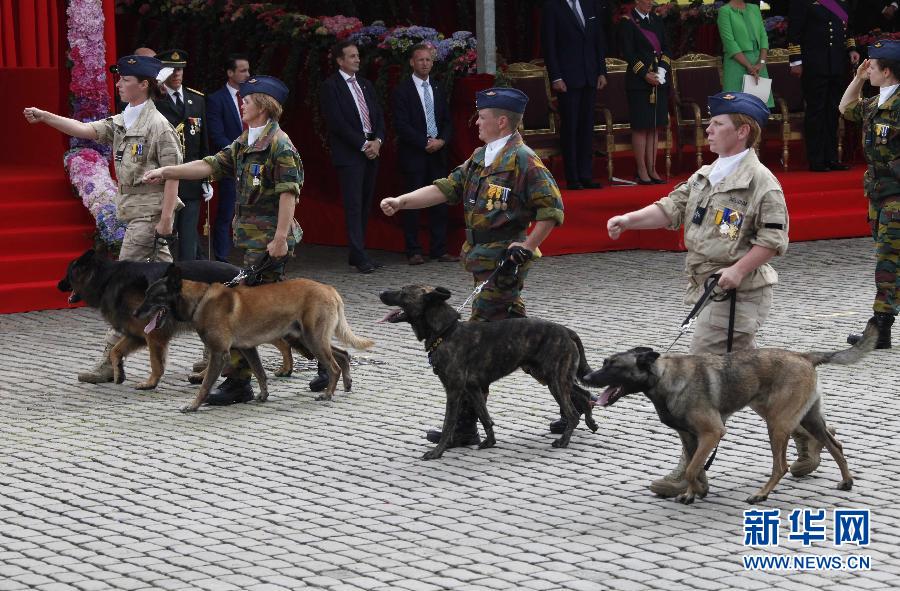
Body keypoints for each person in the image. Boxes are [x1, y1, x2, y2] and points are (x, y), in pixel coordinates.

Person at [604, 92, 827, 496]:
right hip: (707, 287)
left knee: (696, 386)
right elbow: (670, 208)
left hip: (738, 294)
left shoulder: (761, 183)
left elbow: (775, 239)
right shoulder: (708, 173)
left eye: (718, 124)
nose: (708, 129)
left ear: (742, 131)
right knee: (755, 381)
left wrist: (738, 270)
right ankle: (806, 433)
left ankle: (688, 473)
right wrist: (629, 219)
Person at [380, 87, 565, 446]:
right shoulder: (481, 157)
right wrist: (402, 201)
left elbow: (552, 209)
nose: (476, 122)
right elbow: (446, 188)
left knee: (471, 346)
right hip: (481, 265)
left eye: (482, 117)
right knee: (526, 345)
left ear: (501, 121)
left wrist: (527, 247)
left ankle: (464, 426)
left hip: (503, 269)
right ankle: (576, 398)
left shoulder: (524, 161)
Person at [142, 75, 303, 405]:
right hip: (252, 240)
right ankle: (325, 359)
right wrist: (169, 172)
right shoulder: (246, 140)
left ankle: (239, 383)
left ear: (264, 106)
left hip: (270, 243)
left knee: (253, 312)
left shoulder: (279, 145)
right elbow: (210, 164)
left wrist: (280, 239)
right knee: (269, 312)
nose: (241, 103)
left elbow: (290, 194)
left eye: (247, 99)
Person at [23, 55, 183, 382]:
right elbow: (85, 129)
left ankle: (109, 361)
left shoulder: (157, 126)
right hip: (135, 216)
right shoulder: (125, 120)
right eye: (119, 79)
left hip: (149, 219)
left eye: (125, 80)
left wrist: (166, 218)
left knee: (119, 288)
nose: (119, 84)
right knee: (177, 287)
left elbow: (173, 175)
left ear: (144, 84)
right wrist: (45, 117)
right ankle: (220, 345)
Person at [839, 40, 900, 350]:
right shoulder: (878, 102)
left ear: (887, 71)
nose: (867, 70)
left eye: (872, 67)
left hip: (896, 196)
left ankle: (879, 328)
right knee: (889, 257)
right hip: (879, 194)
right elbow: (846, 107)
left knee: (888, 260)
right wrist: (859, 78)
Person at [321, 40, 387, 275]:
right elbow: (337, 122)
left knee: (365, 203)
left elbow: (378, 114)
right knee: (353, 205)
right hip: (351, 153)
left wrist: (377, 141)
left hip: (372, 149)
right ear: (340, 60)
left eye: (358, 56)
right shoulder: (331, 86)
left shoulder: (366, 84)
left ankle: (359, 252)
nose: (357, 59)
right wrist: (362, 144)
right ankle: (359, 255)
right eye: (352, 56)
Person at [391, 43, 457, 265]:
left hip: (437, 154)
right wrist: (424, 142)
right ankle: (413, 250)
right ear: (412, 62)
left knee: (439, 201)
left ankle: (439, 249)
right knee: (412, 203)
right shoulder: (402, 90)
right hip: (414, 155)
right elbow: (400, 124)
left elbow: (447, 121)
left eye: (428, 60)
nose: (425, 64)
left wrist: (442, 141)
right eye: (420, 60)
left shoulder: (438, 88)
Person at [541, 0, 608, 190]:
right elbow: (549, 45)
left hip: (590, 76)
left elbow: (597, 40)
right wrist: (556, 77)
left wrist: (601, 71)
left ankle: (586, 175)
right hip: (567, 79)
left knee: (587, 128)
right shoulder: (553, 7)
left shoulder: (589, 5)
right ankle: (573, 177)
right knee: (570, 128)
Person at [788, 0, 860, 172]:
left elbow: (847, 31)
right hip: (814, 65)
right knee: (816, 112)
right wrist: (795, 62)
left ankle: (832, 158)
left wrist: (852, 50)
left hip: (836, 65)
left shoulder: (841, 4)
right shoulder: (804, 4)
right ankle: (817, 159)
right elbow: (794, 33)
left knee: (833, 112)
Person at [155, 49, 210, 261]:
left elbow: (203, 143)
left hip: (191, 181)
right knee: (165, 237)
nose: (177, 73)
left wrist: (206, 178)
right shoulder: (153, 100)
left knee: (188, 240)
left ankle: (189, 283)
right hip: (165, 179)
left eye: (180, 69)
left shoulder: (196, 100)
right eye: (172, 69)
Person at [619, 0, 671, 185]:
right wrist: (644, 74)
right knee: (641, 127)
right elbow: (628, 53)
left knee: (654, 126)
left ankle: (652, 169)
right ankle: (641, 170)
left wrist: (662, 70)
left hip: (659, 79)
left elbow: (666, 48)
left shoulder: (656, 20)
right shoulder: (628, 21)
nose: (650, 3)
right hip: (639, 82)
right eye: (646, 0)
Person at [207, 53, 252, 263]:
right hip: (232, 164)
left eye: (248, 70)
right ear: (230, 73)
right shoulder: (217, 99)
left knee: (254, 210)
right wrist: (238, 153)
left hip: (255, 164)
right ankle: (222, 258)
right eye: (242, 70)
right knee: (227, 212)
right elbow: (216, 134)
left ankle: (254, 255)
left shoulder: (253, 97)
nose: (247, 74)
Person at [718, 0, 774, 109]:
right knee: (737, 109)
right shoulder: (725, 11)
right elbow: (729, 43)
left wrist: (761, 63)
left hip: (758, 63)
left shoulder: (754, 8)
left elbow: (763, 36)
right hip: (737, 63)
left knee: (759, 108)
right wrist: (749, 66)